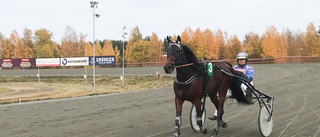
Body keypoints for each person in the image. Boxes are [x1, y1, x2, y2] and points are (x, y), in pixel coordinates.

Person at [208, 52, 255, 120]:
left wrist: (241, 74)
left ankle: (247, 93)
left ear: (246, 60)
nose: (241, 61)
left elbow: (249, 79)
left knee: (243, 86)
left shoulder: (249, 68)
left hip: (245, 84)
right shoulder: (234, 68)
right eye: (239, 59)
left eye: (242, 59)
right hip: (234, 86)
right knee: (221, 98)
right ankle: (216, 114)